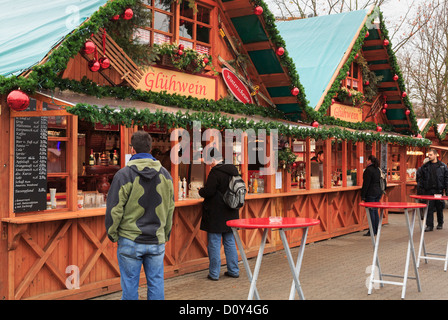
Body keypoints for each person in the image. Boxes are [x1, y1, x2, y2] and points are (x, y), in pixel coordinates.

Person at [105, 131, 174, 300]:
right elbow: (170, 208)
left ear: (132, 149)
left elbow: (114, 208)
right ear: (150, 148)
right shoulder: (165, 174)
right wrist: (165, 234)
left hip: (130, 239)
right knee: (156, 283)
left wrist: (112, 233)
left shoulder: (123, 175)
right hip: (156, 239)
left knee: (129, 286)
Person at [199, 148, 240, 280]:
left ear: (213, 159)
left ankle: (214, 274)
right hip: (231, 212)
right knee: (230, 242)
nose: (208, 163)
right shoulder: (233, 171)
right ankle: (233, 270)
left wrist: (201, 191)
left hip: (216, 214)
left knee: (214, 243)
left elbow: (209, 191)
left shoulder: (215, 172)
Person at [416, 149, 448, 231]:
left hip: (438, 190)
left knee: (439, 207)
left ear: (435, 155)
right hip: (428, 190)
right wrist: (421, 190)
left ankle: (440, 223)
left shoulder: (443, 166)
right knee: (429, 208)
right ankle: (429, 225)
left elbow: (446, 179)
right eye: (428, 155)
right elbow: (421, 179)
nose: (429, 156)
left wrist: (446, 191)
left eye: (430, 155)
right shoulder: (425, 166)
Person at [361, 155, 383, 236]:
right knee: (375, 211)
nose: (366, 161)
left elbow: (366, 184)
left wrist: (363, 195)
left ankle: (372, 230)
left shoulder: (368, 170)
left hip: (371, 193)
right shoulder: (377, 169)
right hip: (378, 192)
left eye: (367, 160)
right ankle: (376, 229)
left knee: (371, 212)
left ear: (370, 161)